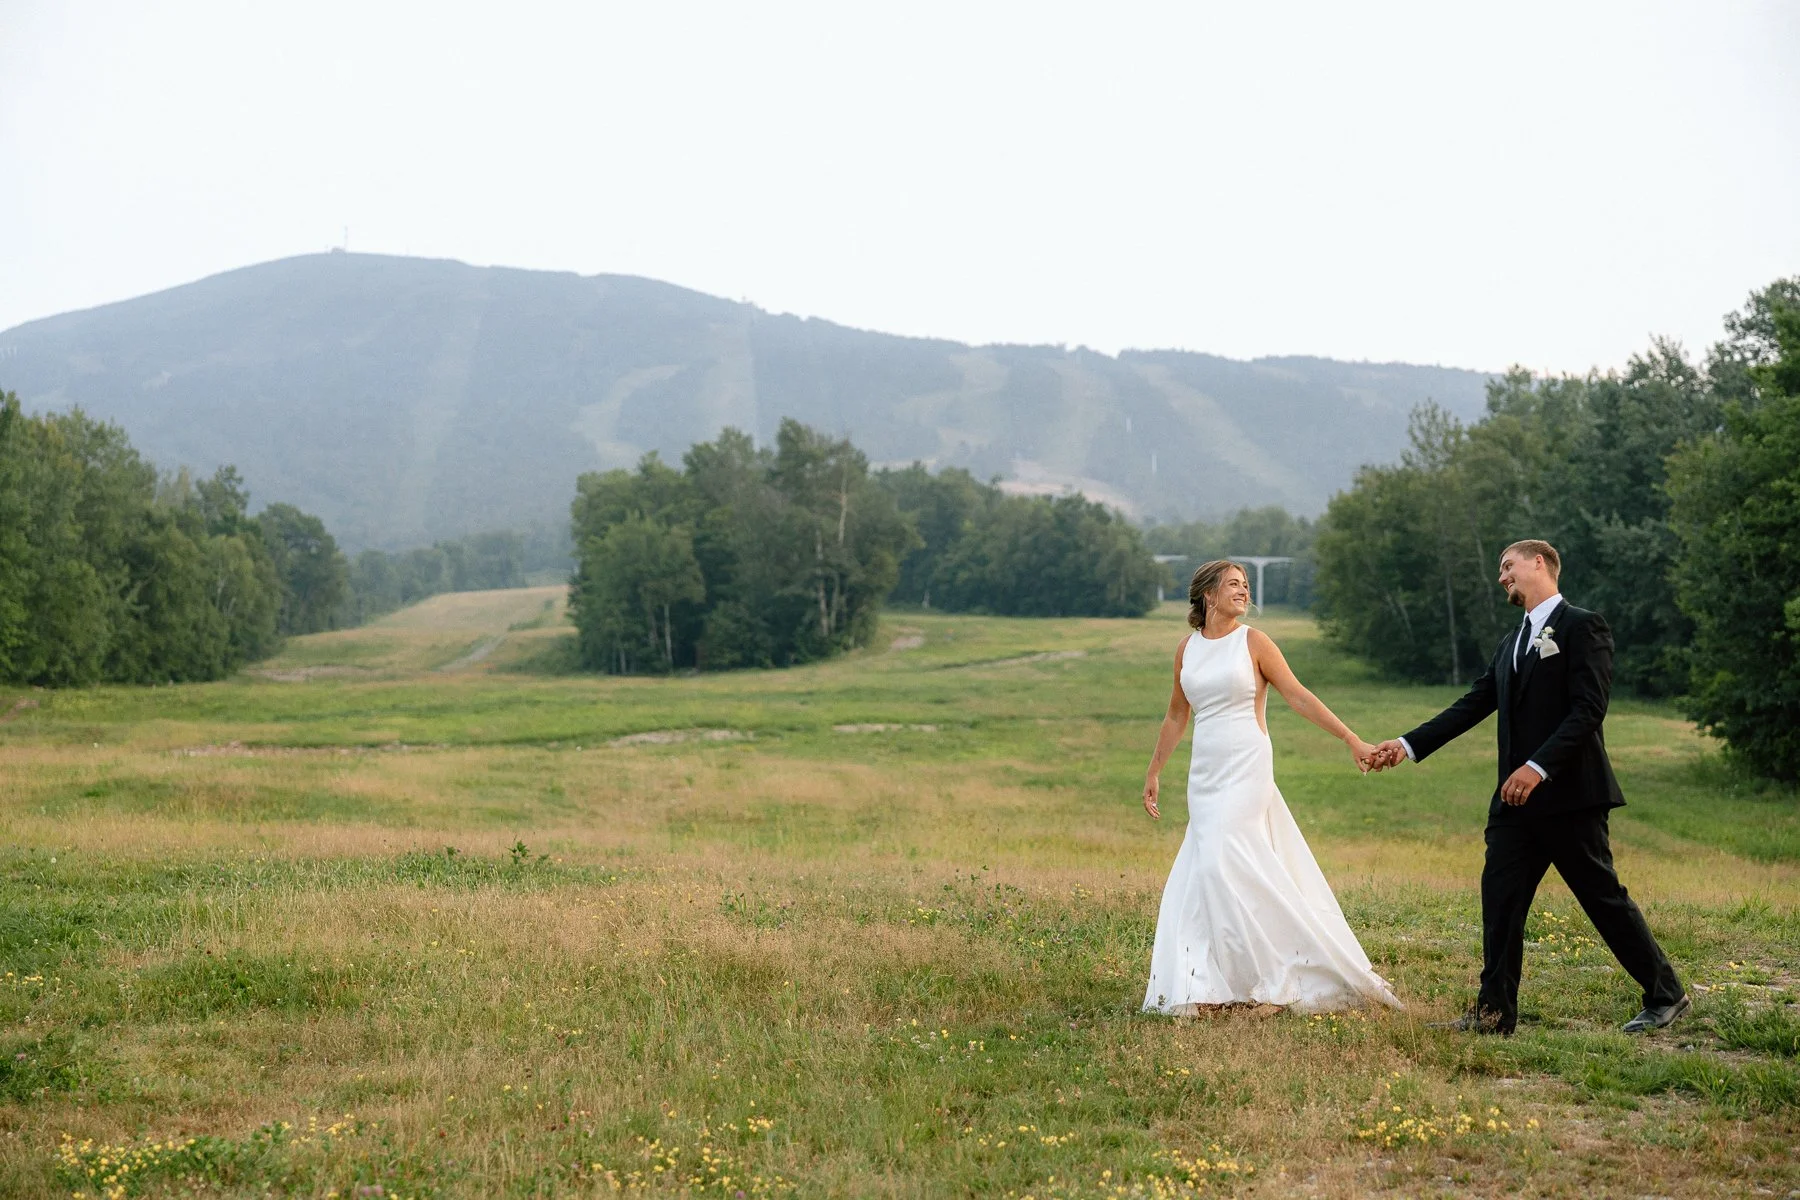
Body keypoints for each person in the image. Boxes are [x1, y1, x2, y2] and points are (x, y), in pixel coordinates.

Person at [1368, 539, 1687, 1036]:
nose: (1501, 577)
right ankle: (1494, 1014)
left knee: (1601, 897)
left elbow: (1589, 709)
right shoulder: (1512, 641)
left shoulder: (1584, 626)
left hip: (1570, 797)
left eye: (1507, 565)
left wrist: (1538, 766)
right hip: (1514, 805)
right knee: (1501, 901)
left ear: (1539, 563)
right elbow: (1471, 705)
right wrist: (1406, 745)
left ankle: (1666, 994)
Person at [1141, 559, 1400, 1015]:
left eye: (1246, 585)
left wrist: (1350, 739)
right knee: (1207, 870)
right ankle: (1209, 983)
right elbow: (1177, 714)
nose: (1244, 592)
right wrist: (1155, 770)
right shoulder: (1187, 648)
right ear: (1209, 594)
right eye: (1234, 585)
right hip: (1205, 774)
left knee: (1223, 860)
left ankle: (1283, 978)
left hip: (1247, 765)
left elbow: (1297, 695)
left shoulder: (1254, 642)